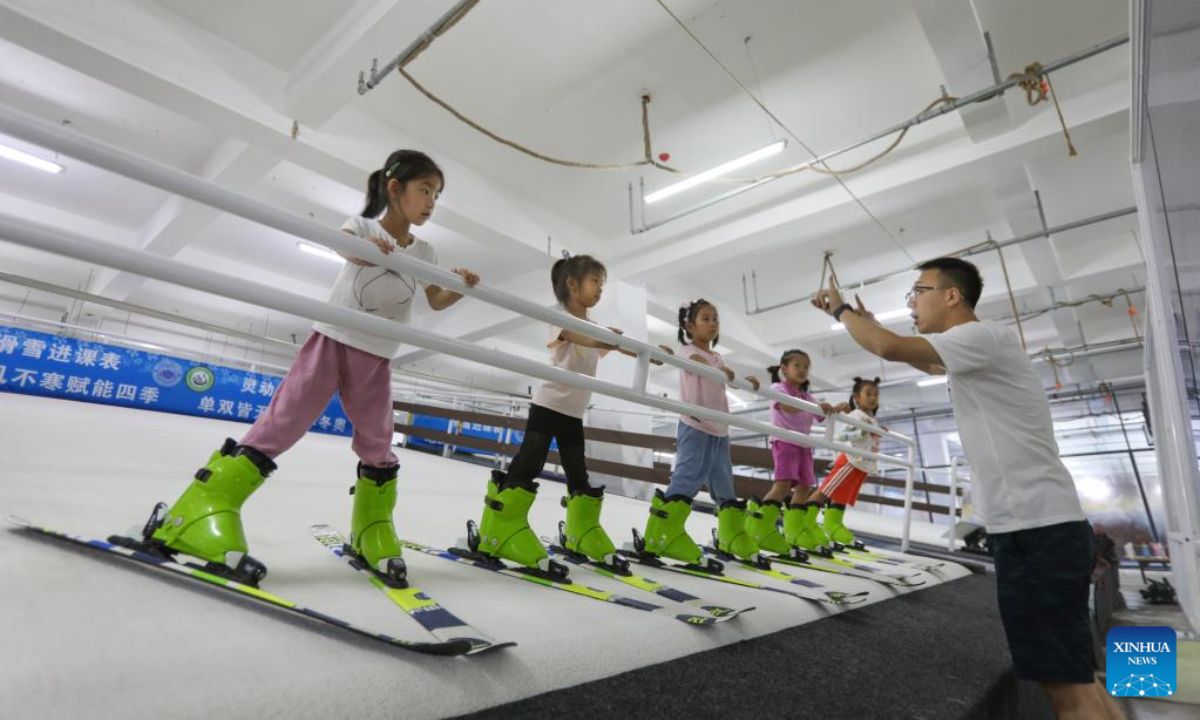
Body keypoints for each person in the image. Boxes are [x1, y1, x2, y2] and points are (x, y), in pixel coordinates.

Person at [136, 150, 479, 589]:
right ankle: (198, 511)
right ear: (395, 188)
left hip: (377, 355)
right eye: (424, 190)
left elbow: (434, 298)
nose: (431, 201)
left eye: (436, 195)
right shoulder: (365, 228)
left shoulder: (426, 250)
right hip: (334, 339)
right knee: (286, 422)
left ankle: (372, 527)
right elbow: (343, 243)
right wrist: (362, 249)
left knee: (378, 440)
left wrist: (460, 288)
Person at [811, 257, 1122, 720]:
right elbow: (920, 356)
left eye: (919, 291)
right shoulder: (973, 350)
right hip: (1038, 528)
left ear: (952, 295)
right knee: (1075, 680)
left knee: (1068, 692)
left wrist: (841, 311)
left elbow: (892, 348)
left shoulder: (979, 335)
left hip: (1037, 533)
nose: (913, 302)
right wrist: (870, 324)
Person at [472, 254, 648, 576]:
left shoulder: (594, 327)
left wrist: (646, 354)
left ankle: (583, 533)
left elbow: (611, 344)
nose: (599, 289)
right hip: (549, 405)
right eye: (594, 281)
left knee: (577, 472)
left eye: (601, 283)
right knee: (529, 462)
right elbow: (579, 336)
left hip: (573, 412)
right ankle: (495, 530)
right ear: (572, 284)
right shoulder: (559, 318)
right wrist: (608, 337)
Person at [639, 299, 762, 566]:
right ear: (689, 325)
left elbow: (725, 375)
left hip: (719, 429)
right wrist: (723, 371)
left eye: (715, 318)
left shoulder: (717, 357)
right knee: (687, 477)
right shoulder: (687, 350)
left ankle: (731, 533)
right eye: (706, 318)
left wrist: (745, 380)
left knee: (724, 484)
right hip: (695, 426)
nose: (713, 323)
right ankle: (661, 534)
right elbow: (699, 364)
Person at [749, 349, 844, 555]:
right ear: (784, 369)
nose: (802, 370)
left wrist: (834, 408)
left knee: (804, 487)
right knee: (783, 484)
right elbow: (787, 406)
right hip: (785, 442)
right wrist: (813, 406)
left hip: (804, 445)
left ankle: (793, 529)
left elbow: (820, 416)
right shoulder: (778, 388)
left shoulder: (806, 395)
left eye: (806, 366)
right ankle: (761, 526)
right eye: (797, 365)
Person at [804, 376, 882, 550]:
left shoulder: (871, 419)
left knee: (842, 495)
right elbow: (842, 436)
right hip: (850, 461)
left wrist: (877, 431)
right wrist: (862, 432)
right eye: (868, 394)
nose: (872, 398)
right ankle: (805, 523)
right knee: (825, 491)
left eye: (875, 395)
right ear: (856, 397)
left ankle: (833, 525)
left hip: (861, 465)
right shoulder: (856, 415)